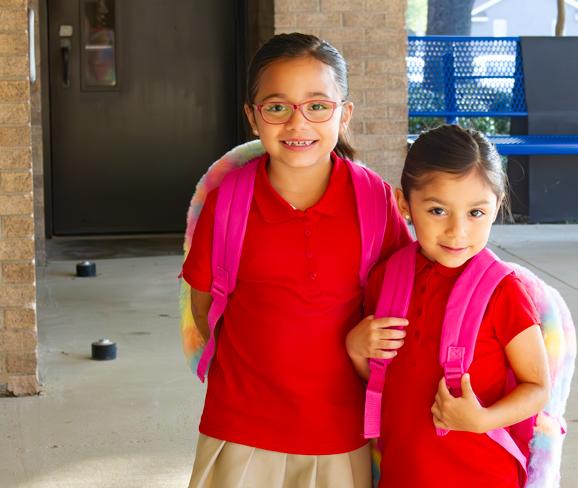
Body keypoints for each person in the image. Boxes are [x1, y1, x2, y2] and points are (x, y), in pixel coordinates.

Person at [182, 33, 411, 488]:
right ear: (253, 117)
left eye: (318, 106)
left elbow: (402, 295)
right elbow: (205, 305)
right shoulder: (227, 201)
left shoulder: (374, 199)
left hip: (341, 430)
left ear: (344, 115)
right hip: (241, 426)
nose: (297, 123)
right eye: (277, 107)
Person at [346, 125, 551, 487]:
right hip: (404, 473)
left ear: (497, 206)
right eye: (438, 210)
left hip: (483, 474)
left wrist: (483, 420)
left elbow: (537, 387)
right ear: (404, 204)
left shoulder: (504, 292)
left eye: (476, 213)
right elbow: (387, 378)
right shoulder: (386, 279)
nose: (458, 231)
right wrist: (356, 349)